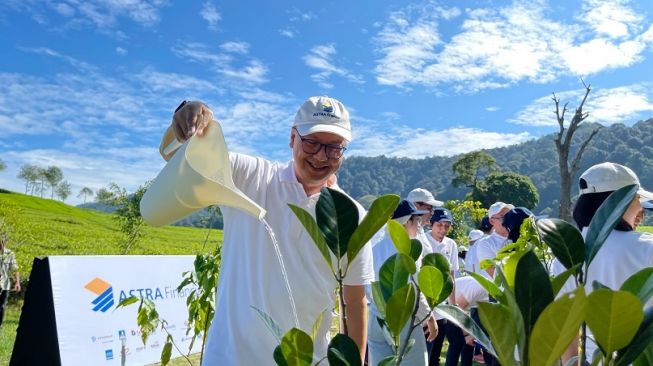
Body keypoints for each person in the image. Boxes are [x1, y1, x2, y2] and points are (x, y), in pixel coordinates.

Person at [160, 97, 374, 365]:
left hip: (303, 361)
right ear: (292, 138)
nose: (321, 155)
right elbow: (177, 155)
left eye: (333, 148)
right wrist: (189, 118)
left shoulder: (351, 217)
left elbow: (354, 303)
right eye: (311, 142)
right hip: (228, 359)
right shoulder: (250, 178)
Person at [554, 162, 653, 362]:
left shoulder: (566, 254)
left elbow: (566, 334)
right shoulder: (646, 248)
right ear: (619, 202)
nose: (641, 209)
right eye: (637, 199)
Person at [367, 200, 438, 365]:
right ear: (407, 222)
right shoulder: (408, 250)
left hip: (376, 315)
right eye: (417, 221)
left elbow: (366, 286)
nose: (419, 226)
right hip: (401, 317)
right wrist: (429, 317)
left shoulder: (375, 249)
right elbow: (414, 290)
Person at [426, 208, 458, 366]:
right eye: (439, 225)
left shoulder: (451, 244)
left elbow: (451, 276)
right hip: (425, 306)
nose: (443, 229)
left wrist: (453, 304)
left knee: (436, 353)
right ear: (431, 224)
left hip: (442, 307)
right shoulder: (422, 241)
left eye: (447, 226)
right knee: (424, 350)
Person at [443, 276, 489, 366]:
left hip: (457, 307)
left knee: (468, 345)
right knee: (456, 344)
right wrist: (467, 334)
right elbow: (457, 311)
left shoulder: (487, 290)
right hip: (448, 306)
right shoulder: (480, 287)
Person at [475, 202, 514, 279]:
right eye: (502, 217)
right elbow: (496, 275)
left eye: (510, 216)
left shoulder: (519, 237)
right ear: (492, 221)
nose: (508, 220)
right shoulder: (485, 244)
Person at [407, 188, 443, 253]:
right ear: (415, 206)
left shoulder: (420, 230)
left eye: (433, 209)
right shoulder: (403, 231)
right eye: (429, 208)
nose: (432, 213)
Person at [0, 230, 20, 330]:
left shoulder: (10, 254)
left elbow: (14, 269)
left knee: (2, 306)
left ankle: (0, 325)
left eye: (3, 240)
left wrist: (17, 282)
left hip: (4, 284)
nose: (2, 242)